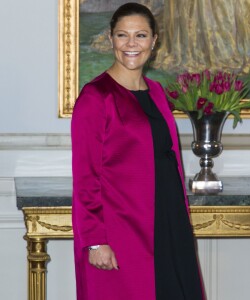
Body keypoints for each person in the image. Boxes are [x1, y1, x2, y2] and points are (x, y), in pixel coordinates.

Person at [71, 2, 206, 300]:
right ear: (111, 39)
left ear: (154, 41)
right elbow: (85, 177)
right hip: (123, 231)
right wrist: (94, 242)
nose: (131, 44)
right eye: (123, 35)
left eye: (141, 35)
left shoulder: (157, 92)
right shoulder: (96, 97)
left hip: (169, 222)